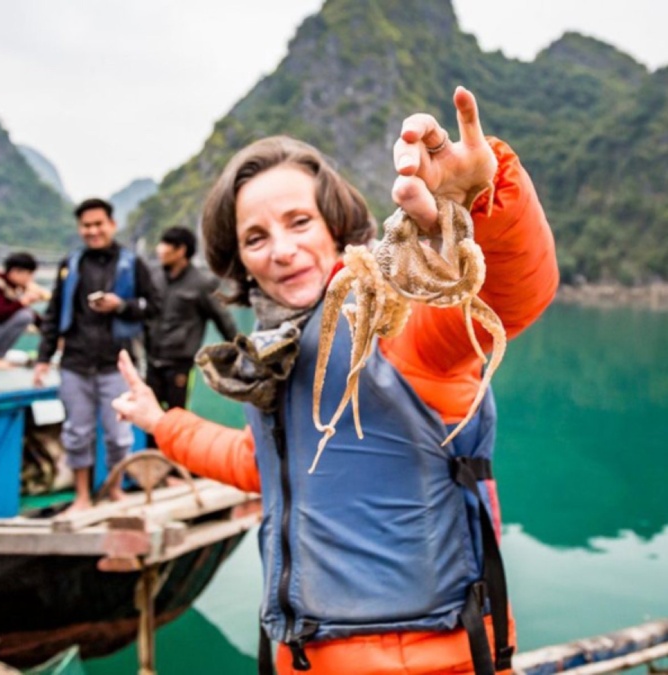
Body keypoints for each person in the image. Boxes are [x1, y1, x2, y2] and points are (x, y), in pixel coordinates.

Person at [112, 87, 559, 675]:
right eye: (255, 236)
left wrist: (480, 205)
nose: (282, 250)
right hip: (301, 655)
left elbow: (506, 293)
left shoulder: (399, 319)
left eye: (300, 221)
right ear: (239, 258)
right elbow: (261, 462)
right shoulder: (274, 355)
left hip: (432, 657)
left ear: (335, 226)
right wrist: (159, 421)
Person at [33, 197, 160, 511]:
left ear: (111, 225)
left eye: (98, 224)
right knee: (77, 433)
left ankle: (115, 488)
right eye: (86, 226)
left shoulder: (132, 263)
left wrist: (121, 305)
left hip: (116, 364)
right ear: (80, 229)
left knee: (119, 435)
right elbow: (52, 315)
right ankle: (82, 496)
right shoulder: (70, 265)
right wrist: (43, 359)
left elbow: (154, 306)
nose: (93, 231)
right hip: (75, 363)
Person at [145, 226, 238, 438]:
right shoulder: (155, 278)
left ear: (181, 250)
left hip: (181, 364)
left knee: (178, 415)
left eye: (166, 245)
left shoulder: (201, 283)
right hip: (153, 361)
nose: (160, 249)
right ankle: (156, 464)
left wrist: (239, 351)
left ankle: (180, 466)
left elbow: (223, 319)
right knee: (151, 417)